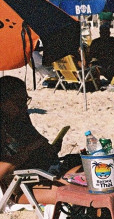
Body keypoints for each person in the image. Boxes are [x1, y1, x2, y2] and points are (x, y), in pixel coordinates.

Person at [0, 77, 74, 205]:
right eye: (18, 102)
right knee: (74, 192)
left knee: (88, 179)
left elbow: (39, 144)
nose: (23, 106)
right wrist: (27, 151)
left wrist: (51, 148)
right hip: (20, 187)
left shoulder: (20, 118)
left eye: (25, 101)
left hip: (46, 171)